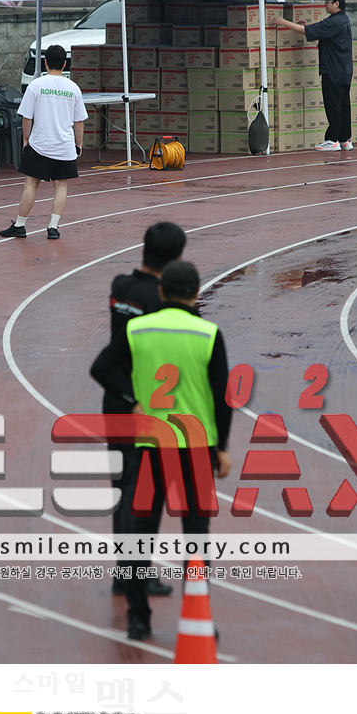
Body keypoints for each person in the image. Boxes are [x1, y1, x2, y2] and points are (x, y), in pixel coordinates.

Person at [91, 260, 233, 641]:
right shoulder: (208, 335)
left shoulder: (137, 330)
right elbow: (222, 396)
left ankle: (138, 618)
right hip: (196, 447)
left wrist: (131, 400)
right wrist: (222, 447)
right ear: (197, 293)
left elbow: (101, 368)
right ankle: (197, 612)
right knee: (196, 534)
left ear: (161, 292)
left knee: (141, 532)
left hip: (150, 446)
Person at [91, 221, 189, 600]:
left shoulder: (121, 287)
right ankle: (137, 573)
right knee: (145, 492)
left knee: (123, 488)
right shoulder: (160, 302)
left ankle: (127, 570)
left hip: (116, 400)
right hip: (146, 404)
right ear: (177, 258)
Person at [0, 44, 86, 240]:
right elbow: (79, 122)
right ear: (64, 64)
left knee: (31, 184)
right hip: (65, 146)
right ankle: (53, 227)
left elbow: (27, 117)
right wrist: (78, 144)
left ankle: (20, 225)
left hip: (40, 144)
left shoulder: (36, 85)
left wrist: (26, 139)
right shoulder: (73, 88)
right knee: (61, 186)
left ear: (45, 63)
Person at [283, 0, 352, 150]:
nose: (325, 5)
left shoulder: (334, 21)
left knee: (333, 105)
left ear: (336, 3)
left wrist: (285, 22)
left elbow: (308, 31)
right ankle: (344, 139)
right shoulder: (342, 19)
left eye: (327, 2)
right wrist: (308, 26)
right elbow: (319, 29)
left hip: (333, 70)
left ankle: (332, 139)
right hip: (344, 70)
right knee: (343, 105)